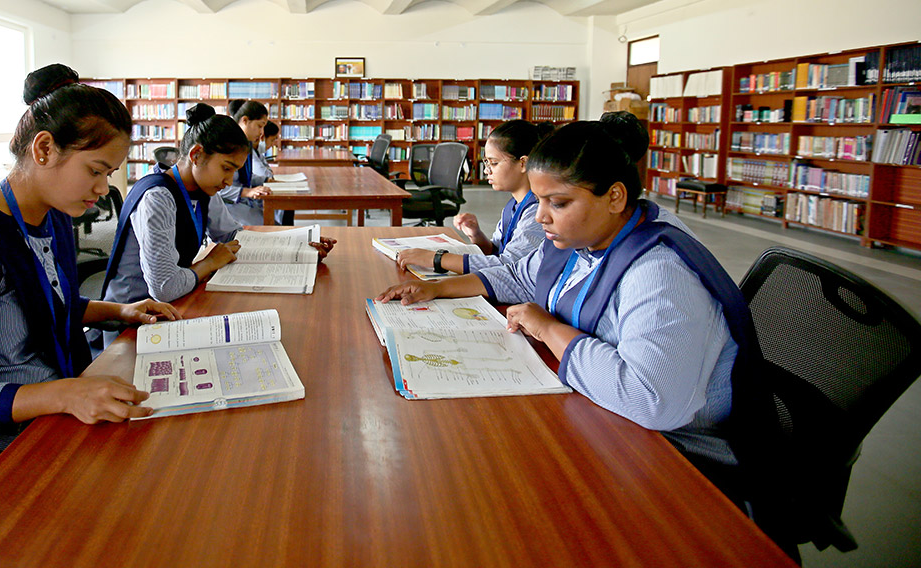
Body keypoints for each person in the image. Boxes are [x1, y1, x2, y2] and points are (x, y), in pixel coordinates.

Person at [374, 112, 764, 476]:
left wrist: (548, 330)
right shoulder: (582, 236)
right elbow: (519, 277)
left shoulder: (658, 273)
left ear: (615, 197)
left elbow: (650, 400)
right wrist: (436, 288)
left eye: (557, 203)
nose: (541, 216)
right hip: (601, 409)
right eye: (540, 201)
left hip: (673, 450)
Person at [0, 65, 181, 449]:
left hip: (56, 413)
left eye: (111, 173)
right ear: (44, 149)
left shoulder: (51, 218)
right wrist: (65, 394)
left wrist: (119, 311)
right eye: (96, 171)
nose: (102, 188)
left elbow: (43, 304)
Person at [102, 103, 334, 305]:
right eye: (226, 168)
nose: (229, 181)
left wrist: (300, 245)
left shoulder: (202, 187)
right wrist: (210, 262)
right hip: (131, 316)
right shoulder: (157, 198)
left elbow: (233, 235)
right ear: (196, 155)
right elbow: (165, 288)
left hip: (171, 303)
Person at [393, 120, 552, 275]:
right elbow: (495, 252)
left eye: (494, 163)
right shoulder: (513, 206)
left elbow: (507, 267)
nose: (486, 171)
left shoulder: (537, 214)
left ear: (523, 163)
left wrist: (437, 259)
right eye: (486, 163)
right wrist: (476, 235)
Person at [217, 99, 279, 226]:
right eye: (259, 126)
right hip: (227, 206)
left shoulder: (246, 145)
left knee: (275, 223)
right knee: (271, 227)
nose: (262, 133)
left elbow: (244, 176)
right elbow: (217, 189)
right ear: (245, 121)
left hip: (244, 202)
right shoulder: (226, 146)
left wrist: (264, 180)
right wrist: (246, 192)